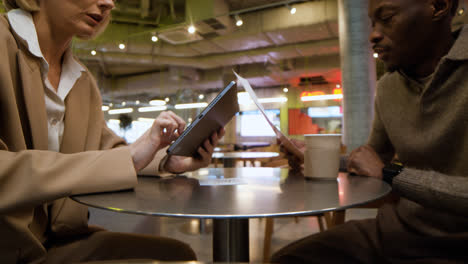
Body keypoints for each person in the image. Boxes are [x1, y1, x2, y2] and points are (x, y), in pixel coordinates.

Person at [0, 0, 225, 263]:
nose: (109, 3)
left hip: (57, 241)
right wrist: (129, 158)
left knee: (176, 255)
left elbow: (109, 151)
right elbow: (119, 159)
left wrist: (168, 159)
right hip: (9, 246)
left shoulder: (82, 81)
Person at [272, 0, 468, 263]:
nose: (373, 34)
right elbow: (370, 163)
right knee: (288, 259)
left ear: (438, 6)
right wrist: (317, 156)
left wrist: (390, 173)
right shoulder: (388, 87)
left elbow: (383, 170)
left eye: (386, 18)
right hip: (395, 234)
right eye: (372, 23)